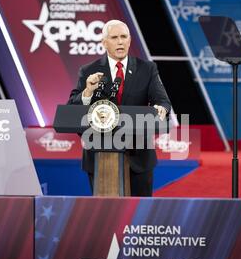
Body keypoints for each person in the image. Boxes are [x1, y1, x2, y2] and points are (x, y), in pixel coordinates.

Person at [67, 19, 171, 196]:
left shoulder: (147, 68)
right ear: (104, 42)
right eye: (114, 37)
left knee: (139, 214)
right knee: (106, 216)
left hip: (139, 155)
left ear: (130, 40)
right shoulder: (88, 70)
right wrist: (87, 91)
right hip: (99, 154)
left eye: (124, 37)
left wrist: (162, 108)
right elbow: (72, 109)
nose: (120, 41)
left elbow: (162, 100)